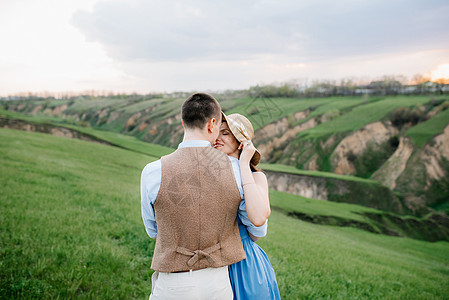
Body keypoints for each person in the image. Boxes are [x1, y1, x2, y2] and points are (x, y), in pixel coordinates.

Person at [141, 93, 267, 299]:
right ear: (212, 124)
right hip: (218, 282)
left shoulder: (152, 171)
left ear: (183, 123)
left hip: (173, 282)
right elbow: (255, 224)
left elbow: (153, 230)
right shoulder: (238, 169)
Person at [214, 113, 281, 300]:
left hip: (244, 262)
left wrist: (243, 163)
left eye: (225, 133)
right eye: (216, 133)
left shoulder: (257, 178)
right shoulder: (210, 173)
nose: (217, 138)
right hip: (213, 261)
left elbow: (258, 230)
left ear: (241, 142)